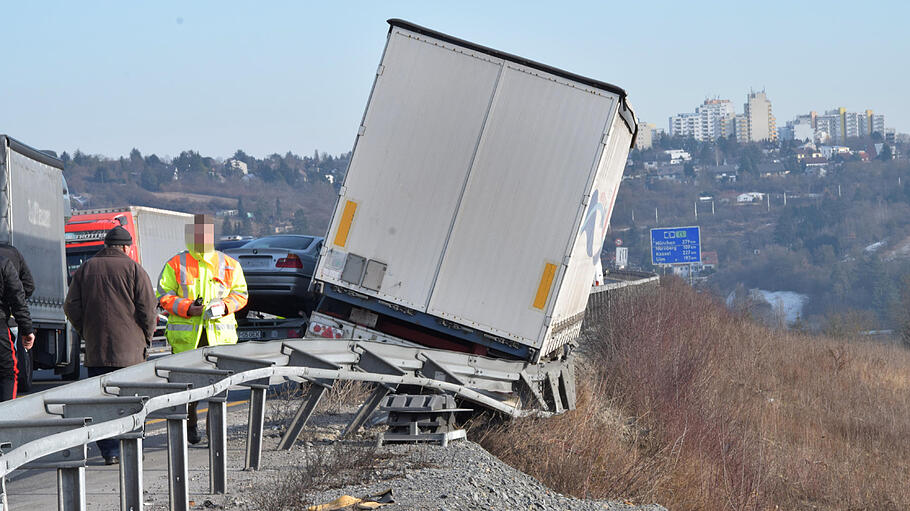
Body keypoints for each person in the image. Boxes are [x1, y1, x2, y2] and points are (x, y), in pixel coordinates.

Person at [64, 226, 157, 465]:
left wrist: (85, 330)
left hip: (97, 351)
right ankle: (131, 448)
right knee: (133, 401)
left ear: (106, 245)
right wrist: (146, 337)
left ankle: (110, 451)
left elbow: (71, 306)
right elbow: (148, 309)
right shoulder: (134, 269)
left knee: (102, 403)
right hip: (131, 353)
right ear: (126, 247)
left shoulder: (85, 269)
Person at [157, 214, 248, 444]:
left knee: (218, 389)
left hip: (219, 337)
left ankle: (215, 433)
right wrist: (189, 308)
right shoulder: (176, 264)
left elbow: (241, 295)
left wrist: (224, 306)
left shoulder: (229, 264)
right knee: (190, 389)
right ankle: (191, 425)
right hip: (188, 340)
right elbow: (164, 296)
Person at [0, 254, 34, 401]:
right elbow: (17, 297)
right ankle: (6, 419)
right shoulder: (3, 262)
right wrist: (27, 330)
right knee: (7, 372)